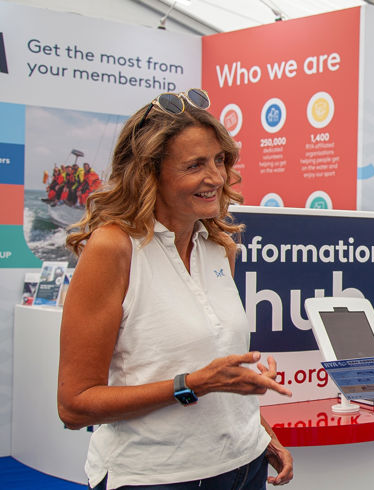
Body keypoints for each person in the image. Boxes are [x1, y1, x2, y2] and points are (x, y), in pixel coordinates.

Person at [59, 88, 294, 489]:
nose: (217, 178)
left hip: (244, 464)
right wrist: (193, 385)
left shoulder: (221, 247)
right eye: (195, 165)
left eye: (220, 159)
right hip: (158, 477)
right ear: (148, 172)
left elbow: (218, 369)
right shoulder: (113, 248)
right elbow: (75, 405)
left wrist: (259, 430)